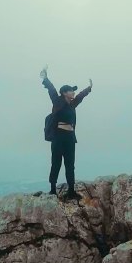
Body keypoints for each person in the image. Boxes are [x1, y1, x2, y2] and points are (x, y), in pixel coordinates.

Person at [39, 64, 93, 200]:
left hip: (70, 137)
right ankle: (52, 190)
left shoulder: (72, 104)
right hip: (58, 137)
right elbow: (51, 89)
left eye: (73, 91)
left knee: (70, 164)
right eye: (71, 91)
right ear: (64, 93)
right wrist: (45, 78)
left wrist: (89, 89)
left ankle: (71, 191)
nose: (73, 92)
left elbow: (80, 96)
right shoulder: (58, 101)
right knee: (56, 163)